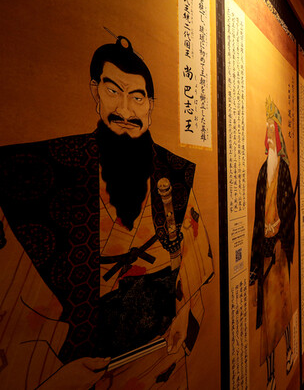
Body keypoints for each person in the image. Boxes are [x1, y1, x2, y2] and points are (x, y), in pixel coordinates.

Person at [0, 36, 214, 389]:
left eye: (137, 98)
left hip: (162, 357)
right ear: (95, 91)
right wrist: (57, 379)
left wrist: (185, 314)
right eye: (113, 92)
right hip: (81, 370)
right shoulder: (51, 174)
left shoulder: (173, 175)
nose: (125, 111)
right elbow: (21, 309)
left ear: (150, 106)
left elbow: (192, 270)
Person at [249, 98, 296, 388]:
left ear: (277, 140)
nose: (268, 140)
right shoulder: (261, 173)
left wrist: (282, 240)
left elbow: (290, 211)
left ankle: (290, 350)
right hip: (265, 250)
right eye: (266, 135)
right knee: (268, 316)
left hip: (279, 250)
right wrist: (256, 259)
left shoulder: (284, 172)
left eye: (272, 135)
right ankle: (270, 377)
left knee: (283, 305)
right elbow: (257, 218)